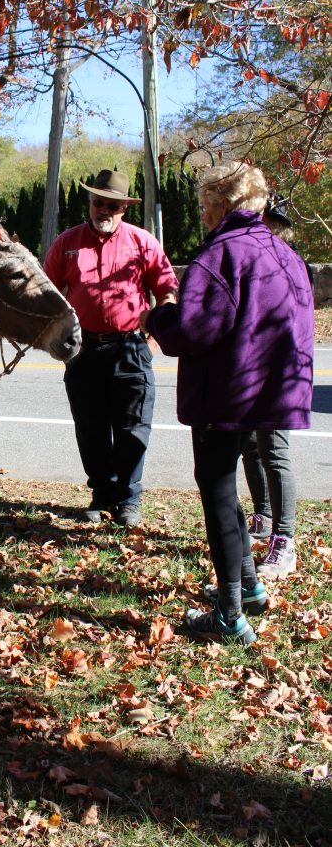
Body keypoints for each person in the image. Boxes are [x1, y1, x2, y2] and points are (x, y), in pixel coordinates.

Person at [141, 161, 314, 645]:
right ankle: (250, 587)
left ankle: (230, 615)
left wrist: (159, 317)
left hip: (226, 394)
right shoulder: (284, 253)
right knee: (225, 490)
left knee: (217, 492)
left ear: (222, 205)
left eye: (203, 204)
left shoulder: (220, 255)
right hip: (268, 391)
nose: (201, 213)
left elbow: (193, 332)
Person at [44, 169, 178, 527]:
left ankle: (129, 500)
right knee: (91, 428)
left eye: (112, 206)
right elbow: (48, 295)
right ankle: (102, 494)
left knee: (134, 427)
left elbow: (166, 289)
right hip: (84, 352)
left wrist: (153, 336)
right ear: (90, 203)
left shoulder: (142, 242)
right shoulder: (66, 243)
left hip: (130, 349)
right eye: (98, 203)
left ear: (123, 209)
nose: (103, 210)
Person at [241, 199, 313, 579]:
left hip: (279, 369)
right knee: (251, 446)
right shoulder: (253, 256)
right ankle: (264, 516)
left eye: (268, 221)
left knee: (275, 448)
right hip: (250, 368)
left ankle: (285, 540)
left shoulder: (290, 263)